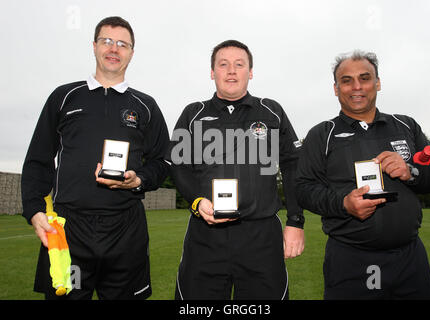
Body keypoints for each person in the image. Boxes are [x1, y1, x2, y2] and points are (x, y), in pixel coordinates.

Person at [21, 16, 170, 300]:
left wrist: (138, 180)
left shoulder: (145, 106)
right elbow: (38, 159)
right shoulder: (64, 97)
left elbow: (163, 162)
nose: (114, 49)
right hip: (70, 231)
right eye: (107, 41)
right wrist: (34, 208)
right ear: (94, 46)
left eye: (122, 44)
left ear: (132, 53)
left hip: (126, 230)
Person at [295, 50, 430, 299]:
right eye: (347, 80)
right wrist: (343, 203)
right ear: (336, 88)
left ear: (377, 83)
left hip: (410, 257)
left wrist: (411, 171)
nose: (356, 86)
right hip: (351, 259)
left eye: (365, 78)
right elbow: (303, 188)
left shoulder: (406, 125)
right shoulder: (322, 134)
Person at [166, 40, 305, 300]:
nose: (231, 71)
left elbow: (292, 164)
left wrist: (295, 221)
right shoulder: (193, 114)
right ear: (212, 72)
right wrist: (197, 201)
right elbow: (179, 165)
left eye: (239, 65)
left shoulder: (271, 111)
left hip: (261, 235)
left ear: (250, 72)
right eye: (223, 64)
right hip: (205, 235)